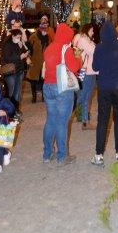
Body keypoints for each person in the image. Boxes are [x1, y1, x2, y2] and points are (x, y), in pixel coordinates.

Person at [42, 23, 82, 165]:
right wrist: (79, 58)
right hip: (62, 88)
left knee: (51, 119)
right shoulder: (66, 49)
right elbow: (75, 67)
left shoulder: (49, 48)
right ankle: (62, 156)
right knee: (62, 122)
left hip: (47, 86)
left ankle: (47, 154)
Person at [90, 21, 118, 167]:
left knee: (103, 121)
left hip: (104, 88)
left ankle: (99, 155)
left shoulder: (99, 47)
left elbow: (95, 66)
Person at [72, 23, 97, 129]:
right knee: (83, 96)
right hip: (87, 70)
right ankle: (70, 111)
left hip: (84, 70)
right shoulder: (84, 39)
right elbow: (93, 51)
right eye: (91, 30)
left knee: (85, 96)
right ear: (87, 30)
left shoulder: (80, 38)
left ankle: (85, 121)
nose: (93, 32)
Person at [1, 27, 30, 117]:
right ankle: (8, 111)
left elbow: (27, 51)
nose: (19, 38)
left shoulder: (19, 43)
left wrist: (24, 49)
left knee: (17, 92)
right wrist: (19, 57)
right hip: (10, 72)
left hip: (19, 70)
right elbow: (7, 57)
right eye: (17, 37)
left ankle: (15, 110)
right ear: (13, 36)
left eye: (20, 37)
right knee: (10, 91)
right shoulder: (7, 44)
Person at [27, 21, 50, 103]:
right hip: (35, 62)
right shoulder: (33, 37)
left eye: (46, 30)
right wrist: (28, 58)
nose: (45, 31)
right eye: (44, 30)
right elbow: (28, 50)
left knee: (44, 80)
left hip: (44, 62)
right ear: (40, 29)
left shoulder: (47, 37)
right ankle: (34, 96)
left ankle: (44, 96)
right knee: (33, 80)